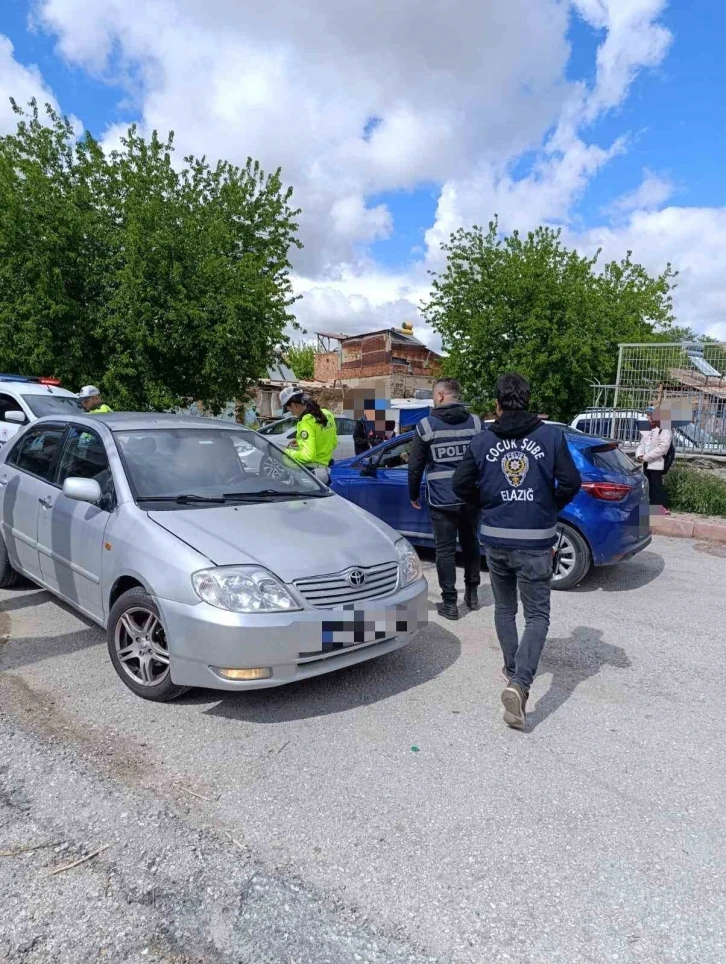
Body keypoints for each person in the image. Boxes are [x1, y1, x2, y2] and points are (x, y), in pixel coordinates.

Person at [453, 373, 581, 730]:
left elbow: (459, 483)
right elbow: (572, 482)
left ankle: (512, 671)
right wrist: (547, 506)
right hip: (535, 539)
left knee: (506, 608)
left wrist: (487, 503)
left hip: (494, 537)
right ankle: (520, 684)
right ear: (526, 400)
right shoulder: (551, 436)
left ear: (496, 404)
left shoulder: (482, 441)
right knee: (537, 616)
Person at [408, 378, 482, 621]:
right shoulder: (476, 424)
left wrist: (413, 494)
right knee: (471, 545)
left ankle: (450, 604)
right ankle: (472, 595)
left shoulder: (426, 426)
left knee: (445, 551)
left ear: (440, 396)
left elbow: (415, 465)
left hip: (442, 499)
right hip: (471, 497)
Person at [278, 386, 337, 483]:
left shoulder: (306, 422)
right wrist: (301, 442)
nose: (291, 413)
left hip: (310, 475)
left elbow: (308, 456)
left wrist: (288, 452)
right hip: (325, 474)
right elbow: (333, 443)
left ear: (294, 405)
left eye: (289, 410)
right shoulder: (327, 414)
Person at [636, 408, 672, 514]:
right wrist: (639, 455)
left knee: (656, 485)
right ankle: (652, 508)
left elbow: (662, 448)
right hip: (647, 462)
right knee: (649, 485)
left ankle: (663, 508)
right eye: (648, 416)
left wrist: (646, 457)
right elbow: (642, 444)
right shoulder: (649, 430)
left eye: (650, 416)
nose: (648, 418)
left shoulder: (665, 430)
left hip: (657, 463)